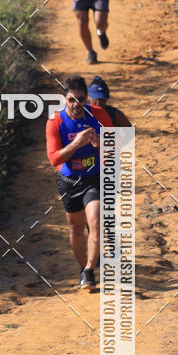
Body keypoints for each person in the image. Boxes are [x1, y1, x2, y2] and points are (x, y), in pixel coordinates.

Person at [46, 75, 113, 290]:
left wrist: (99, 142)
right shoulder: (55, 121)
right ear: (64, 100)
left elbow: (116, 147)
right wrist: (76, 143)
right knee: (75, 228)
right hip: (69, 180)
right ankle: (83, 268)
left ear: (86, 98)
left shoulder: (99, 115)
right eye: (71, 100)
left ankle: (89, 270)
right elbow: (54, 159)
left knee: (96, 222)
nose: (76, 105)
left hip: (94, 177)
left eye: (81, 99)